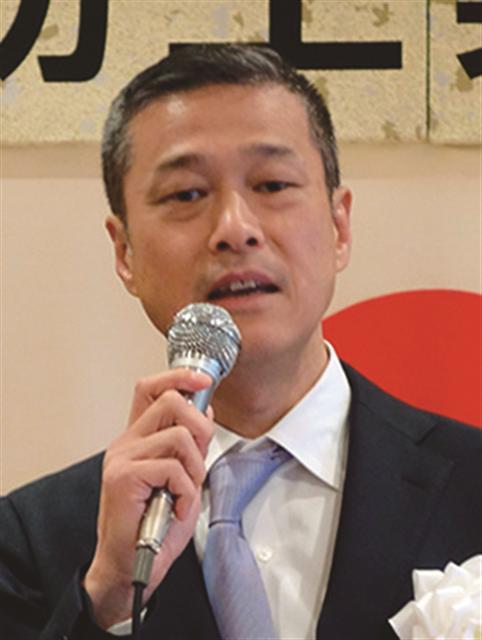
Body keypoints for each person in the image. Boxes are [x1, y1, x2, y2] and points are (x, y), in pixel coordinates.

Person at [0, 44, 480, 640]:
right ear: (124, 252)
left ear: (339, 226)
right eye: (186, 195)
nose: (235, 229)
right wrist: (109, 597)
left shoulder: (473, 486)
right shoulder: (31, 538)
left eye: (272, 184)